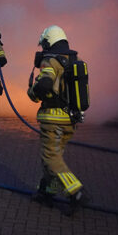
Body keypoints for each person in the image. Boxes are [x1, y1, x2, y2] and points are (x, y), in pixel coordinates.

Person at [27, 25, 89, 216]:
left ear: (48, 42)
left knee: (51, 158)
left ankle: (76, 191)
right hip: (69, 119)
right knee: (53, 158)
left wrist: (33, 92)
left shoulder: (50, 61)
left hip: (52, 119)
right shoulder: (73, 60)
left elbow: (45, 83)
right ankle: (47, 192)